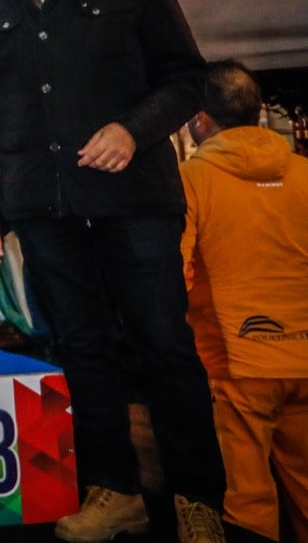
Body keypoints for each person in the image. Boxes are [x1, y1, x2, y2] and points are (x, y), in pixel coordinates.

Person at [0, 0, 226, 543]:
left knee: (165, 347)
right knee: (81, 348)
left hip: (136, 204)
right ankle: (115, 490)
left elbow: (187, 79)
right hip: (43, 209)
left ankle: (198, 500)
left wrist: (133, 130)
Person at [181, 60, 308, 542]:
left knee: (247, 501)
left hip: (237, 361)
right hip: (304, 356)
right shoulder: (303, 172)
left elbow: (177, 271)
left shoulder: (193, 179)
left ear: (200, 119)